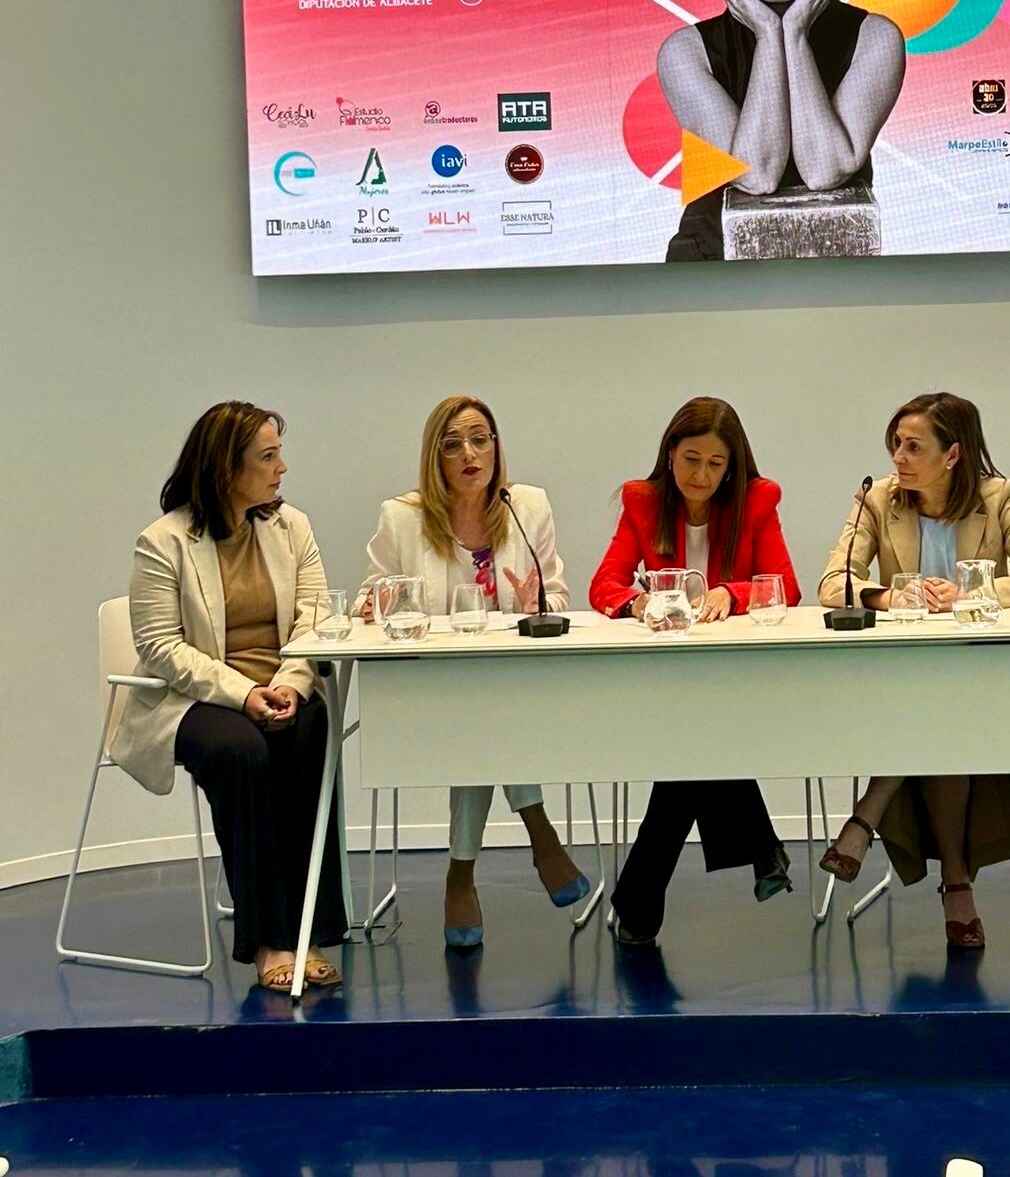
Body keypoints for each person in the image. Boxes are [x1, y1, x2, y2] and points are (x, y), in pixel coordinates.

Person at [113, 402, 345, 994]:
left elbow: (313, 621)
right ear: (225, 469)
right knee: (242, 752)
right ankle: (269, 938)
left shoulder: (293, 527)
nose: (282, 468)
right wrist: (245, 694)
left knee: (310, 731)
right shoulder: (162, 542)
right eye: (268, 457)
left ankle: (309, 931)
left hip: (282, 687)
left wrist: (291, 685)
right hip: (191, 699)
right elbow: (161, 646)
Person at [817, 392, 1010, 949]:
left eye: (913, 447)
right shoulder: (877, 499)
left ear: (952, 455)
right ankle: (956, 880)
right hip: (909, 672)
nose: (898, 457)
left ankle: (866, 816)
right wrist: (886, 597)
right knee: (942, 716)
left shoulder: (999, 498)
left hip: (987, 671)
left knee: (945, 710)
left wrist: (970, 593)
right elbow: (834, 584)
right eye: (896, 445)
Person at [360, 394, 590, 948]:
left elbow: (556, 594)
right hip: (433, 687)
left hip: (512, 683)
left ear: (496, 448)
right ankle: (541, 836)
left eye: (480, 439)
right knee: (481, 715)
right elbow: (375, 592)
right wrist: (377, 603)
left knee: (487, 717)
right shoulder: (404, 518)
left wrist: (539, 602)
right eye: (453, 444)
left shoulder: (526, 506)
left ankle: (460, 874)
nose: (470, 453)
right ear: (434, 460)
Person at [590, 395, 801, 944]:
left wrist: (732, 593)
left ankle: (641, 900)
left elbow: (787, 588)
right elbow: (603, 586)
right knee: (698, 743)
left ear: (732, 466)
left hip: (738, 674)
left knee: (691, 749)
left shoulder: (757, 500)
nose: (702, 475)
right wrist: (637, 603)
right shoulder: (643, 501)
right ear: (670, 453)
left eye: (715, 464)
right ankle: (759, 844)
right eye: (691, 460)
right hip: (672, 672)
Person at [658, 0, 905, 261]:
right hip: (710, 273)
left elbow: (825, 169)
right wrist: (771, 34)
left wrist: (793, 33)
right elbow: (757, 175)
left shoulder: (875, 37)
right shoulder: (685, 52)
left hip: (832, 267)